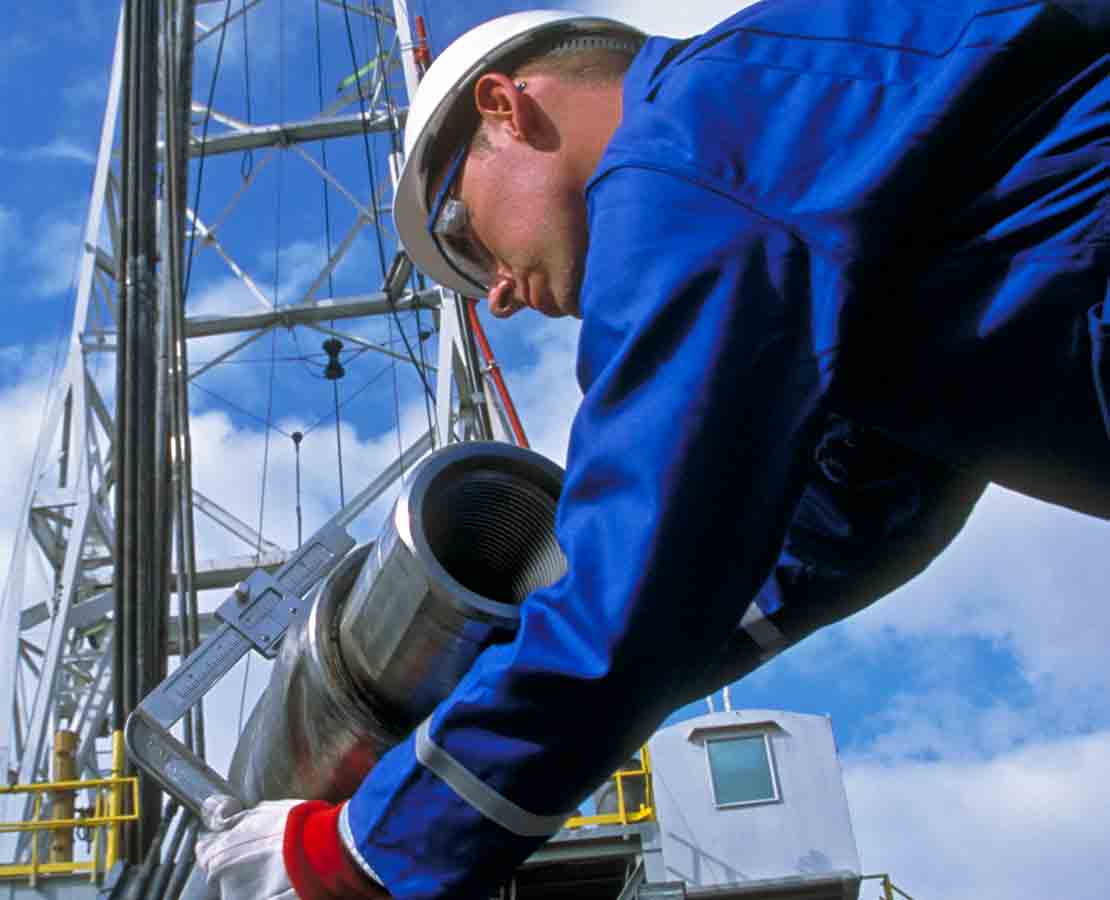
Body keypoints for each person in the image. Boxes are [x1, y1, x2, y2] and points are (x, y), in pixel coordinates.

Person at [196, 2, 1109, 898]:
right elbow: (855, 517)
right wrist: (513, 681)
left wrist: (356, 853)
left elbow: (644, 561)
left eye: (464, 239)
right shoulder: (809, 145)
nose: (497, 295)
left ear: (506, 108)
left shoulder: (686, 147)